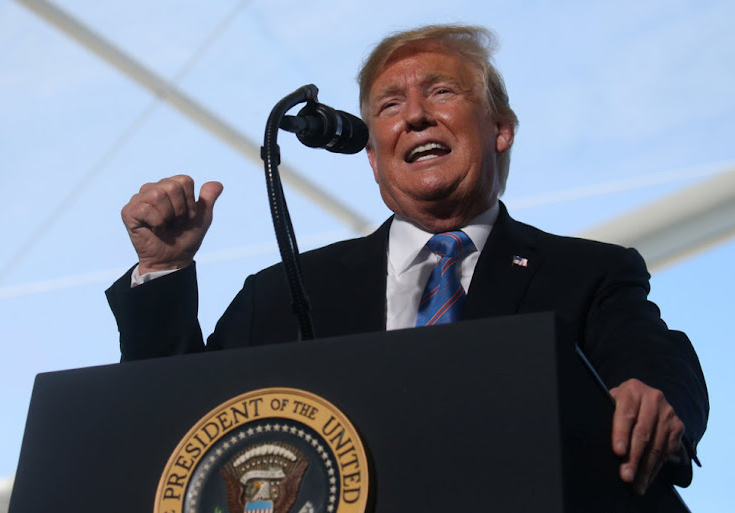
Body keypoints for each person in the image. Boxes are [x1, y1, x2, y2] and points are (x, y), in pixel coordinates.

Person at [106, 25, 708, 496]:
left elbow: (652, 359)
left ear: (501, 129)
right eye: (389, 105)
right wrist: (165, 270)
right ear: (371, 155)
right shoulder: (284, 291)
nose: (415, 115)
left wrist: (655, 396)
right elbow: (176, 422)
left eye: (442, 91)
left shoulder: (588, 273)